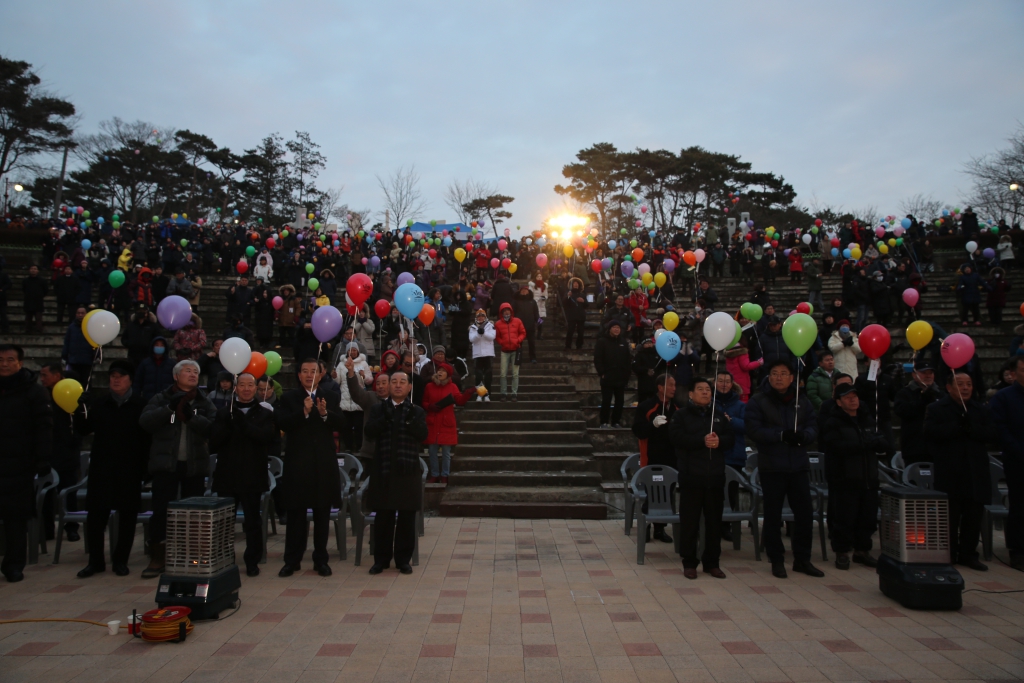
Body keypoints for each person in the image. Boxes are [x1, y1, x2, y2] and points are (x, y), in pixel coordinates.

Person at [138, 359, 218, 578]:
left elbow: (213, 429)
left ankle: (192, 555)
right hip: (166, 464)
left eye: (196, 371)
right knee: (161, 510)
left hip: (194, 465)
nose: (192, 374)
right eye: (187, 371)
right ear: (176, 376)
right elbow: (145, 422)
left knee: (194, 513)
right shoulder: (161, 398)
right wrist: (168, 409)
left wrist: (192, 418)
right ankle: (158, 557)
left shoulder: (203, 401)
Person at [745, 359, 823, 579]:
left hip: (798, 465)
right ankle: (776, 559)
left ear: (792, 378)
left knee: (804, 515)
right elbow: (754, 429)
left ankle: (802, 559)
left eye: (783, 374)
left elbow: (812, 426)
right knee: (773, 516)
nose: (779, 377)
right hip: (772, 466)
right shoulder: (759, 401)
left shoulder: (802, 401)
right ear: (769, 377)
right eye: (774, 373)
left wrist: (803, 437)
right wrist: (780, 435)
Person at [73, 359, 150, 578]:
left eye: (121, 376)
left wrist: (145, 470)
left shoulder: (140, 404)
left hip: (129, 468)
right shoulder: (99, 403)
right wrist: (81, 409)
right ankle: (95, 561)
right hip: (102, 468)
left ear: (130, 380)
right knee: (96, 517)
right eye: (112, 376)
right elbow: (83, 429)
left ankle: (120, 560)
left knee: (127, 517)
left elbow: (147, 440)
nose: (116, 380)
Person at [275, 359, 345, 577]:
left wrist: (324, 414)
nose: (308, 375)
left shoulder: (331, 396)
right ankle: (292, 560)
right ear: (298, 375)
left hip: (323, 464)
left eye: (313, 371)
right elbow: (283, 424)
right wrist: (303, 413)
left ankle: (321, 560)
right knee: (295, 514)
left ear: (321, 374)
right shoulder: (288, 398)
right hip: (298, 463)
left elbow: (341, 424)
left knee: (322, 514)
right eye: (304, 371)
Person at [924, 372, 995, 571]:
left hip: (975, 470)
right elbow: (930, 433)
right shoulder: (937, 408)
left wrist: (972, 428)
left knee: (973, 515)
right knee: (950, 516)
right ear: (949, 387)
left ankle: (968, 554)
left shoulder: (979, 409)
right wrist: (957, 426)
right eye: (960, 384)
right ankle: (949, 553)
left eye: (969, 384)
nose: (965, 388)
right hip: (950, 471)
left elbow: (992, 433)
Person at [210, 373, 276, 577]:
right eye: (242, 385)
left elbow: (266, 438)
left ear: (256, 388)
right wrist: (229, 425)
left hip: (252, 474)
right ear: (235, 388)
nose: (246, 389)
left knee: (252, 522)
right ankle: (224, 558)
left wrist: (244, 425)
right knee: (224, 521)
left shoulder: (264, 413)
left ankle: (252, 560)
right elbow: (214, 442)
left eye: (251, 385)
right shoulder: (223, 412)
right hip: (227, 475)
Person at [670, 377, 735, 579]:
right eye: (700, 389)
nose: (705, 392)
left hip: (714, 476)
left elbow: (731, 439)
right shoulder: (681, 416)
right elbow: (677, 438)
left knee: (714, 522)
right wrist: (702, 441)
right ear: (691, 393)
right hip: (691, 476)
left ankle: (712, 562)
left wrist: (719, 441)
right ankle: (689, 562)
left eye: (708, 389)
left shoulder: (719, 416)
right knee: (690, 522)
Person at [364, 371, 428, 575]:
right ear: (389, 386)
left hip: (407, 471)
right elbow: (369, 432)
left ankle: (403, 559)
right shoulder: (378, 409)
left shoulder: (416, 411)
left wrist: (410, 421)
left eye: (403, 382)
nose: (398, 385)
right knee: (383, 517)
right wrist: (385, 419)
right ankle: (381, 559)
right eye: (394, 382)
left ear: (409, 387)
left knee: (407, 518)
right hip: (383, 469)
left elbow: (423, 435)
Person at [820, 383, 887, 570]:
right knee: (845, 519)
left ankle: (862, 551)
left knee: (868, 517)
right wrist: (864, 444)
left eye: (855, 396)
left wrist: (877, 442)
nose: (853, 399)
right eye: (847, 397)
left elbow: (882, 441)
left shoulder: (866, 419)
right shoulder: (833, 422)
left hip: (868, 478)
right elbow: (836, 447)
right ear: (839, 402)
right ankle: (842, 552)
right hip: (845, 479)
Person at [0, 344, 52, 582]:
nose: (4, 364)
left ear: (19, 363)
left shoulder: (33, 392)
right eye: (1, 359)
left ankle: (13, 565)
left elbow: (43, 428)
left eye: (10, 359)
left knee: (15, 519)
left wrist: (41, 459)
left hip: (19, 464)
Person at [631, 374, 677, 543]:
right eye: (670, 385)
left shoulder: (678, 407)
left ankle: (660, 528)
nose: (674, 388)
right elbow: (638, 430)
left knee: (667, 494)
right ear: (660, 387)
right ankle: (646, 526)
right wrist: (653, 424)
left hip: (672, 459)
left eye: (675, 385)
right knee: (652, 494)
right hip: (652, 457)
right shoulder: (646, 406)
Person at [38, 363, 81, 543]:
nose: (42, 378)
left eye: (45, 374)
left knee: (68, 491)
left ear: (57, 376)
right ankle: (46, 529)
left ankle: (71, 527)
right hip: (46, 451)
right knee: (45, 493)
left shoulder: (70, 390)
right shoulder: (40, 395)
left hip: (66, 450)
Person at [989, 356, 1024, 570]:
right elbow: (1000, 429)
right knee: (1020, 506)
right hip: (1018, 460)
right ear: (1014, 372)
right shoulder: (1004, 397)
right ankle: (1018, 551)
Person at [422, 367, 475, 483]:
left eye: (443, 371)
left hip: (446, 422)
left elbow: (460, 401)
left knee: (446, 452)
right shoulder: (429, 386)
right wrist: (429, 406)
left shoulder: (453, 387)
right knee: (432, 450)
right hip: (433, 421)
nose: (440, 372)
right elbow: (424, 401)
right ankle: (435, 475)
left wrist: (467, 393)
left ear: (448, 374)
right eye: (439, 370)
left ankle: (445, 475)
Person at [892, 360, 942, 465]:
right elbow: (901, 411)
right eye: (924, 373)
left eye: (931, 373)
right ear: (914, 375)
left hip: (938, 448)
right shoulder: (904, 393)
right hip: (914, 449)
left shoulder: (940, 394)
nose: (928, 376)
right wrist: (922, 401)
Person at [336, 342, 373, 453]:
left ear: (358, 351)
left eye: (354, 350)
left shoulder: (364, 363)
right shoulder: (341, 364)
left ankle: (358, 446)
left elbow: (370, 380)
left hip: (359, 400)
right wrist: (334, 376)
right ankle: (348, 447)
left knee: (359, 426)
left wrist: (363, 375)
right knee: (346, 426)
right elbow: (338, 381)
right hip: (345, 399)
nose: (352, 352)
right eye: (350, 350)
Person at [594, 320, 632, 428]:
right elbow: (598, 359)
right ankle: (604, 422)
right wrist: (602, 372)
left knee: (620, 401)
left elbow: (627, 359)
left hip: (621, 377)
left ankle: (616, 421)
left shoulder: (623, 342)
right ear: (610, 329)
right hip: (607, 377)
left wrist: (627, 374)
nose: (616, 329)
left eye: (618, 327)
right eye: (614, 327)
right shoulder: (602, 341)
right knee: (606, 400)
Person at [494, 302, 526, 401]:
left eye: (508, 310)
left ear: (511, 311)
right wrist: (502, 342)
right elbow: (497, 336)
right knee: (503, 374)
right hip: (504, 351)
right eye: (504, 311)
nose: (506, 312)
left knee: (515, 373)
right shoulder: (498, 324)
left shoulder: (517, 321)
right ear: (501, 312)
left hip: (516, 350)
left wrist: (518, 340)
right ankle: (503, 393)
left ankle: (514, 394)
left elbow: (523, 332)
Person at [133, 337, 176, 402]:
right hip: (148, 400)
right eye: (157, 345)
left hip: (166, 400)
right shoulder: (145, 364)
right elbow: (137, 383)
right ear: (152, 346)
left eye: (161, 345)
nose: (159, 347)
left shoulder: (172, 364)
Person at [468, 309, 496, 400]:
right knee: (479, 375)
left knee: (488, 375)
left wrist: (483, 333)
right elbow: (472, 339)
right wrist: (478, 334)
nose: (480, 318)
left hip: (488, 354)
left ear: (485, 317)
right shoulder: (472, 327)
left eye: (482, 316)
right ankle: (480, 394)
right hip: (478, 354)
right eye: (478, 316)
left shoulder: (490, 326)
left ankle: (487, 394)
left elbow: (492, 336)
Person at [62, 306, 94, 380]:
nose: (80, 315)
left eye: (82, 313)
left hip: (87, 360)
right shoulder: (71, 327)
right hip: (74, 360)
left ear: (86, 314)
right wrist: (64, 356)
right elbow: (67, 342)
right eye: (78, 313)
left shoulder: (91, 327)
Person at [512, 284, 540, 363]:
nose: (524, 291)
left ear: (528, 291)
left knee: (532, 343)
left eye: (525, 290)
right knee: (518, 344)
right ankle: (518, 358)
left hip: (530, 326)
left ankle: (533, 358)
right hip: (518, 327)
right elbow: (512, 313)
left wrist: (539, 323)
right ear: (520, 291)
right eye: (522, 290)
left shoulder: (533, 302)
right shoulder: (515, 301)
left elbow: (536, 314)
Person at [22, 265, 48, 334]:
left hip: (38, 301)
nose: (33, 270)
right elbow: (24, 289)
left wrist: (40, 295)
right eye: (32, 269)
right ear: (29, 270)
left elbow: (45, 290)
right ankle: (28, 330)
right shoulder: (25, 280)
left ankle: (39, 330)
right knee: (28, 317)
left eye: (35, 269)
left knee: (38, 318)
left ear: (37, 270)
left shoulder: (42, 280)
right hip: (28, 300)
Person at [563, 277, 587, 350]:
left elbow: (587, 305)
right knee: (570, 331)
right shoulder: (569, 294)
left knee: (581, 332)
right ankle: (568, 345)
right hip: (572, 316)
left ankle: (579, 345)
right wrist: (568, 296)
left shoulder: (582, 295)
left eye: (577, 284)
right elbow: (564, 303)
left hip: (581, 316)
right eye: (574, 284)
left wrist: (583, 301)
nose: (576, 285)